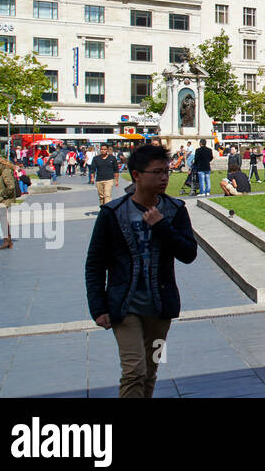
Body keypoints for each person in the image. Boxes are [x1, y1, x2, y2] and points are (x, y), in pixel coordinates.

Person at [85, 144, 198, 398]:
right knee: (134, 370)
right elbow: (95, 263)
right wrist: (98, 306)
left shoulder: (175, 209)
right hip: (124, 306)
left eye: (166, 172)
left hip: (161, 307)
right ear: (136, 175)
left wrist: (162, 226)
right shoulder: (112, 213)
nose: (164, 178)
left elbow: (189, 254)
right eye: (157, 172)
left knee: (150, 370)